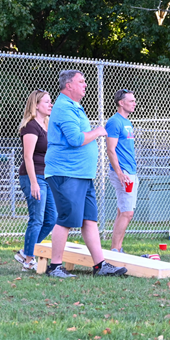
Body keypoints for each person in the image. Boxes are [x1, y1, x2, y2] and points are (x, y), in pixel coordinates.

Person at [43, 70, 127, 278]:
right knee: (66, 219)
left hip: (82, 174)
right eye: (81, 81)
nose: (86, 84)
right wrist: (98, 131)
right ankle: (54, 267)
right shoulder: (63, 107)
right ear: (68, 85)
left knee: (89, 220)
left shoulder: (75, 107)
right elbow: (75, 139)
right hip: (66, 173)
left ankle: (100, 266)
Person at [15, 90, 57, 271]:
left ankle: (26, 251)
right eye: (47, 102)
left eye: (50, 102)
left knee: (52, 218)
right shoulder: (30, 126)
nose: (51, 105)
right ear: (36, 105)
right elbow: (27, 156)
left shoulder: (47, 125)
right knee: (37, 219)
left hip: (47, 177)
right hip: (33, 176)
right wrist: (33, 182)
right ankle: (28, 260)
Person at [105, 88, 138, 253]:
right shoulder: (114, 122)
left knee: (122, 211)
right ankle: (115, 250)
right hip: (123, 172)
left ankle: (117, 248)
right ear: (121, 103)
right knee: (127, 213)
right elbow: (110, 150)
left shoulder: (127, 122)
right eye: (131, 101)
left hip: (130, 171)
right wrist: (119, 173)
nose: (134, 103)